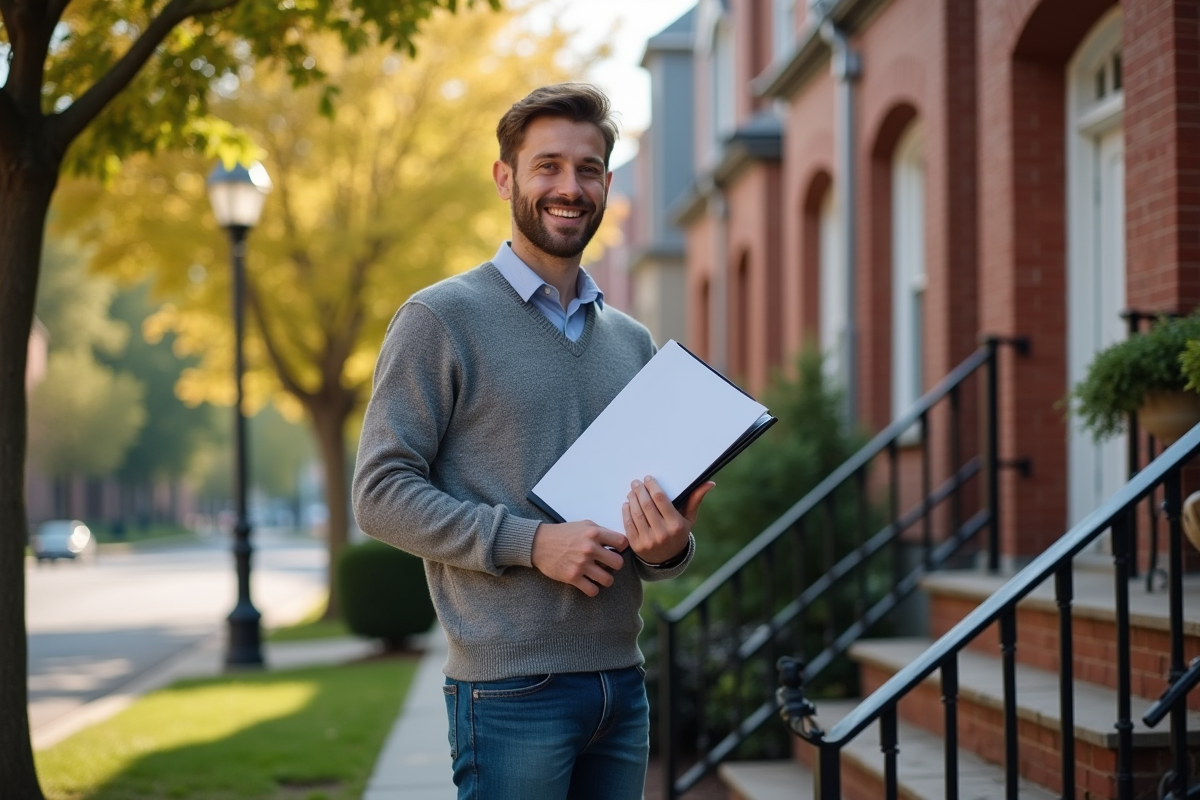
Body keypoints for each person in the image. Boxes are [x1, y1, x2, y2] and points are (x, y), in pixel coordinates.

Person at [352, 83, 714, 800]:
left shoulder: (632, 342)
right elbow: (378, 493)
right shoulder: (440, 318)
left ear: (608, 185)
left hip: (620, 681)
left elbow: (645, 540)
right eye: (547, 165)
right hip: (510, 689)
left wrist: (668, 546)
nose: (568, 188)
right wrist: (530, 543)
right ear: (504, 177)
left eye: (587, 170)